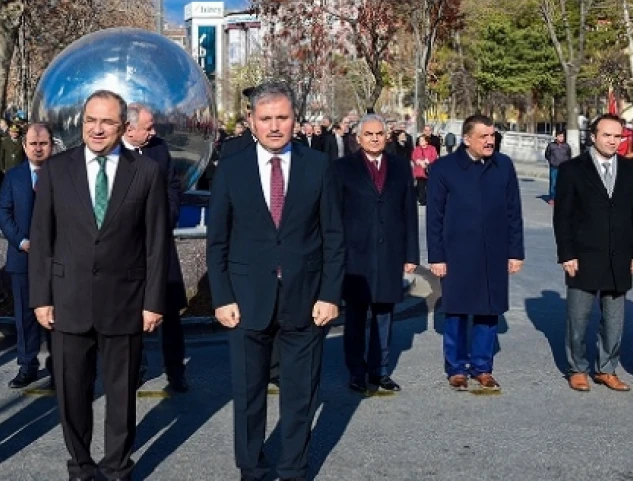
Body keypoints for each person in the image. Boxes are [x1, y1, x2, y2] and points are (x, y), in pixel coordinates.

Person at [28, 89, 169, 481]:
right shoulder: (57, 170)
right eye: (90, 120)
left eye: (107, 122)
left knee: (122, 396)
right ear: (81, 122)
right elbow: (42, 238)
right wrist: (41, 297)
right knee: (72, 394)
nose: (97, 128)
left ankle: (117, 467)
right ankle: (80, 466)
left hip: (125, 301)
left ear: (123, 127)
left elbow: (157, 242)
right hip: (68, 300)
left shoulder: (146, 172)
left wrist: (153, 302)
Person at [207, 82, 344, 481]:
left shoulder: (317, 166)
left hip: (306, 300)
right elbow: (217, 240)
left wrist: (330, 294)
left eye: (282, 117)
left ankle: (294, 468)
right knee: (248, 395)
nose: (274, 126)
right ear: (251, 122)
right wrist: (222, 297)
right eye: (265, 118)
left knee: (301, 395)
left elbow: (334, 236)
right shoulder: (231, 168)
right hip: (247, 301)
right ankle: (251, 468)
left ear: (294, 120)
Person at [426, 114, 524, 391]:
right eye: (483, 136)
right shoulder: (444, 168)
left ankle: (482, 367)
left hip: (493, 251)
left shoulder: (503, 166)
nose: (489, 141)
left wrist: (515, 252)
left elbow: (513, 212)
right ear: (467, 139)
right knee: (456, 311)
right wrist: (437, 257)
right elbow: (435, 216)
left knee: (487, 311)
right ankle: (456, 368)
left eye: (492, 135)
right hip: (457, 253)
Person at [553, 114, 633, 393]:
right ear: (593, 137)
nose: (612, 141)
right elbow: (563, 217)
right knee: (578, 318)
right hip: (583, 255)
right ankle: (577, 368)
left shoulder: (632, 170)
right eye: (607, 135)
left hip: (620, 255)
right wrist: (567, 254)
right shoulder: (572, 169)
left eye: (617, 136)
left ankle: (607, 369)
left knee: (615, 319)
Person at [335, 114, 418, 393]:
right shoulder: (342, 168)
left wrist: (411, 255)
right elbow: (334, 216)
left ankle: (379, 371)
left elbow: (409, 213)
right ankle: (356, 372)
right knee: (356, 317)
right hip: (355, 257)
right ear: (358, 139)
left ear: (387, 136)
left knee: (384, 315)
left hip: (390, 254)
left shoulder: (400, 167)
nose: (374, 138)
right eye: (368, 134)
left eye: (379, 134)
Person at [124, 103, 188, 393]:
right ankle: (135, 369)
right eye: (147, 127)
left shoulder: (159, 149)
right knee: (131, 311)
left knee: (170, 310)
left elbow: (173, 186)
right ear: (128, 129)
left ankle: (176, 371)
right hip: (128, 248)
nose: (153, 132)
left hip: (161, 243)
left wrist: (169, 215)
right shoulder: (113, 153)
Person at [0, 123, 54, 390]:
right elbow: (2, 212)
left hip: (57, 259)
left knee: (57, 315)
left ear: (51, 145)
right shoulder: (14, 176)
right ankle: (27, 365)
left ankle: (59, 365)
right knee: (25, 316)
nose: (38, 148)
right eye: (33, 143)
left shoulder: (63, 174)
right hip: (23, 258)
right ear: (25, 146)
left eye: (43, 143)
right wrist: (20, 240)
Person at [544, 131, 572, 202]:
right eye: (560, 136)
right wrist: (551, 161)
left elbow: (569, 155)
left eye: (562, 136)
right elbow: (547, 154)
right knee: (553, 183)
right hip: (554, 167)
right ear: (556, 137)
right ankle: (552, 198)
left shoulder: (566, 146)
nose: (561, 138)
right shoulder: (551, 145)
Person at [411, 135, 438, 206]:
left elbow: (434, 156)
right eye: (420, 140)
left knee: (430, 186)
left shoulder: (432, 148)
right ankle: (422, 200)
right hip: (419, 171)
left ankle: (431, 200)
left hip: (429, 170)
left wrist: (426, 161)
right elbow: (413, 157)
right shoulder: (416, 149)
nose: (420, 142)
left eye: (422, 140)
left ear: (426, 141)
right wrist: (419, 161)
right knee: (421, 186)